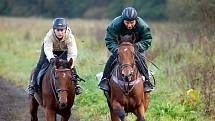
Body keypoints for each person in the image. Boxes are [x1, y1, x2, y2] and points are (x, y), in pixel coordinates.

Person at [98, 7, 155, 96]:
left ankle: (147, 81)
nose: (129, 25)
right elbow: (109, 40)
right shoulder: (115, 24)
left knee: (140, 59)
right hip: (120, 47)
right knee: (112, 58)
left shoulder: (142, 25)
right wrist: (116, 49)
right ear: (122, 20)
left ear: (136, 20)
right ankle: (104, 80)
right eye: (127, 22)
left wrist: (136, 47)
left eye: (132, 22)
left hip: (136, 47)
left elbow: (147, 39)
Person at [27, 18, 82, 95]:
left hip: (63, 51)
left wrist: (69, 63)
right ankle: (32, 85)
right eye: (57, 30)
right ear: (54, 30)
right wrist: (51, 58)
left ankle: (76, 86)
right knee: (40, 64)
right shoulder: (49, 36)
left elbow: (73, 52)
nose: (60, 32)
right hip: (50, 50)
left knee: (71, 66)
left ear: (65, 29)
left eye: (62, 30)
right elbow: (48, 49)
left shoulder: (70, 37)